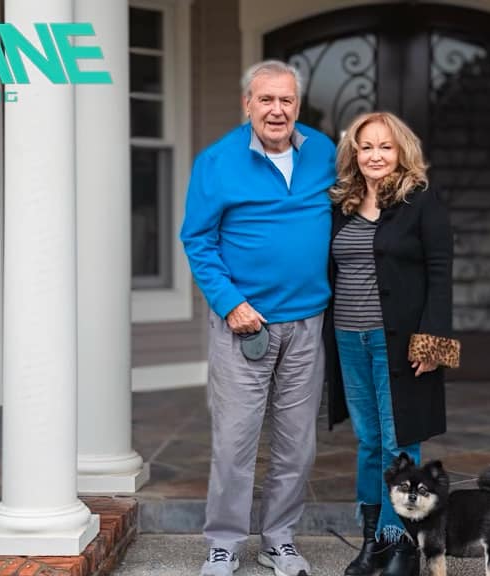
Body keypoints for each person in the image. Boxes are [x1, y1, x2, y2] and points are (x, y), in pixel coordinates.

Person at [180, 60, 337, 576]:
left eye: (286, 100)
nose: (276, 110)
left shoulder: (323, 153)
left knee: (297, 442)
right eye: (265, 100)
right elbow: (197, 240)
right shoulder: (217, 162)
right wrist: (230, 304)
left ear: (298, 105)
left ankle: (279, 539)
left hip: (307, 323)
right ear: (247, 103)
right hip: (243, 324)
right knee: (235, 441)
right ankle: (224, 543)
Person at [324, 112, 460, 576]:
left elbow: (441, 270)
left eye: (385, 146)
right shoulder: (341, 202)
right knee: (368, 442)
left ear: (401, 151)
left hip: (400, 342)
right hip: (348, 337)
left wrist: (433, 343)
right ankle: (372, 545)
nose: (375, 155)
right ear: (354, 153)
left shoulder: (420, 200)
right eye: (366, 147)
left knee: (399, 443)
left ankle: (401, 543)